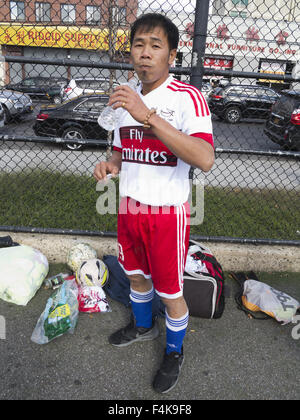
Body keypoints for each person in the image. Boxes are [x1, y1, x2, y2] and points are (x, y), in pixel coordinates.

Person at [94, 13, 215, 394]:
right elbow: (119, 151)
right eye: (139, 45)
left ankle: (174, 350)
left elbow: (204, 158)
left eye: (155, 46)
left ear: (172, 55)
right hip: (129, 207)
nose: (145, 54)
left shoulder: (187, 98)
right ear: (130, 52)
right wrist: (110, 165)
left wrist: (147, 117)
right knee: (134, 275)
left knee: (170, 291)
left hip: (167, 213)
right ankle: (143, 326)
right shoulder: (123, 97)